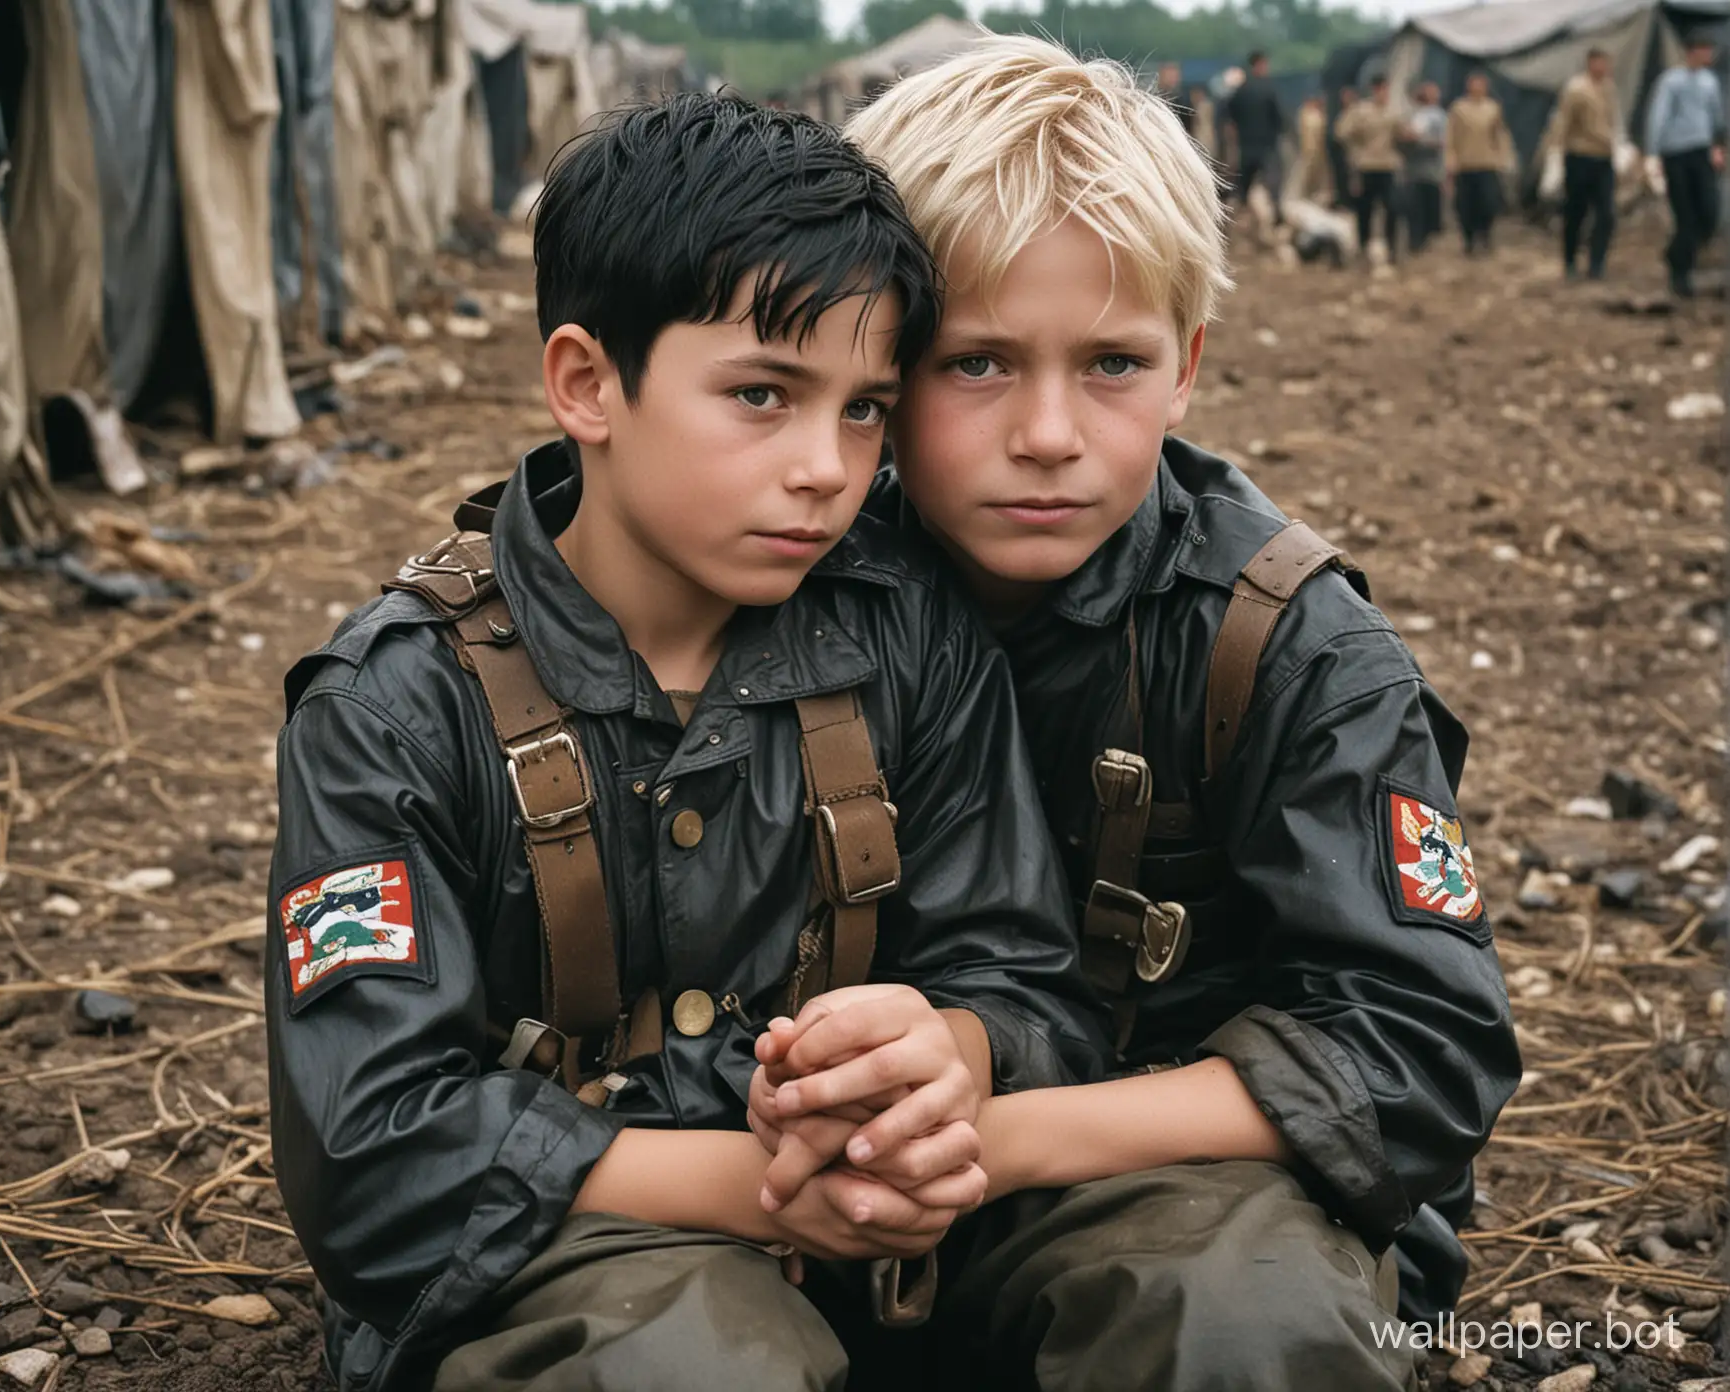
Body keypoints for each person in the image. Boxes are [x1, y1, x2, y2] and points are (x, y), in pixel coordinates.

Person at [266, 91, 1108, 1392]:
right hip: (567, 1279)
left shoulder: (911, 639)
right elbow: (371, 1150)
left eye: (863, 409)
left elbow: (1027, 979)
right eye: (762, 396)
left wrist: (950, 1052)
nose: (828, 468)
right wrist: (764, 1189)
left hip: (889, 1261)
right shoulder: (394, 708)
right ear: (587, 383)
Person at [762, 35, 1520, 1391]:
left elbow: (1421, 1047)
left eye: (1111, 363)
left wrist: (996, 1137)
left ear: (1187, 366)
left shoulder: (1293, 650)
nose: (1049, 431)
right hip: (804, 1190)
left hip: (1174, 1197)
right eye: (974, 365)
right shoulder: (771, 580)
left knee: (1237, 1327)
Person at [1645, 33, 1727, 297]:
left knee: (1709, 211)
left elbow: (1716, 117)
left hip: (1701, 152)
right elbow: (1658, 115)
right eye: (1704, 49)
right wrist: (1653, 153)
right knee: (1685, 214)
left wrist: (1718, 145)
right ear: (1692, 51)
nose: (1708, 55)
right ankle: (1681, 274)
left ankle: (1674, 253)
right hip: (1676, 154)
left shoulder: (1709, 82)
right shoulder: (1672, 81)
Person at [1549, 47, 1619, 281]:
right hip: (1579, 156)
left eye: (1606, 63)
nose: (1603, 68)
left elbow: (1613, 120)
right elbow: (1563, 120)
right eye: (1599, 63)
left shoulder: (1608, 88)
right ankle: (1569, 261)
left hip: (1604, 157)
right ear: (1590, 63)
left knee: (1606, 213)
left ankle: (1596, 263)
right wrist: (1556, 153)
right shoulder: (1576, 89)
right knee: (1576, 212)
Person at [1337, 74, 1404, 262]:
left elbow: (1402, 132)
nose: (1384, 93)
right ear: (1375, 90)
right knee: (1365, 210)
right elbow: (1342, 132)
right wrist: (1355, 150)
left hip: (1388, 165)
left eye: (1387, 89)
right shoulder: (1361, 111)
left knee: (1392, 208)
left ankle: (1392, 248)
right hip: (1366, 165)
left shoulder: (1393, 112)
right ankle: (1363, 246)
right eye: (1381, 89)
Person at [1446, 69, 1514, 256]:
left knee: (1488, 202)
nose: (1477, 87)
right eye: (1474, 83)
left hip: (1487, 163)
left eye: (1481, 84)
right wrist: (1451, 159)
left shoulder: (1492, 108)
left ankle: (1485, 235)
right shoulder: (1459, 108)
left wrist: (1502, 158)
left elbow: (1500, 135)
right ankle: (1468, 240)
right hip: (1465, 164)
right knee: (1465, 205)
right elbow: (1451, 136)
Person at [1223, 49, 1285, 224]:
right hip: (1267, 146)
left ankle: (1238, 220)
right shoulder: (1269, 89)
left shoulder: (1241, 90)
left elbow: (1229, 115)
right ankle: (1276, 220)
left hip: (1246, 145)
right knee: (1273, 185)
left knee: (1243, 187)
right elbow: (1278, 118)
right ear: (1259, 64)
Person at [1403, 81, 1447, 252]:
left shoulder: (1439, 116)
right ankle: (1416, 240)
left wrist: (1420, 141)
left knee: (1429, 206)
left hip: (1432, 171)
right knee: (1415, 207)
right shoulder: (1413, 114)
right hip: (1414, 171)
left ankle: (1426, 237)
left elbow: (1443, 142)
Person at [1293, 91, 1332, 203]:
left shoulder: (1319, 114)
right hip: (1308, 148)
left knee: (1319, 172)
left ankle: (1317, 192)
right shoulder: (1305, 114)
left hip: (1319, 148)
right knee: (1307, 172)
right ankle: (1306, 193)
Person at [1330, 85, 1360, 209]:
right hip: (1346, 152)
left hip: (1356, 153)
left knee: (1355, 181)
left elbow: (1344, 132)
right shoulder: (1344, 113)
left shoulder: (1355, 112)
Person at [1155, 59, 1195, 135]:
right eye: (1169, 75)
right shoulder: (1153, 100)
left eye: (1175, 75)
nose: (1173, 78)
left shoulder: (1183, 102)